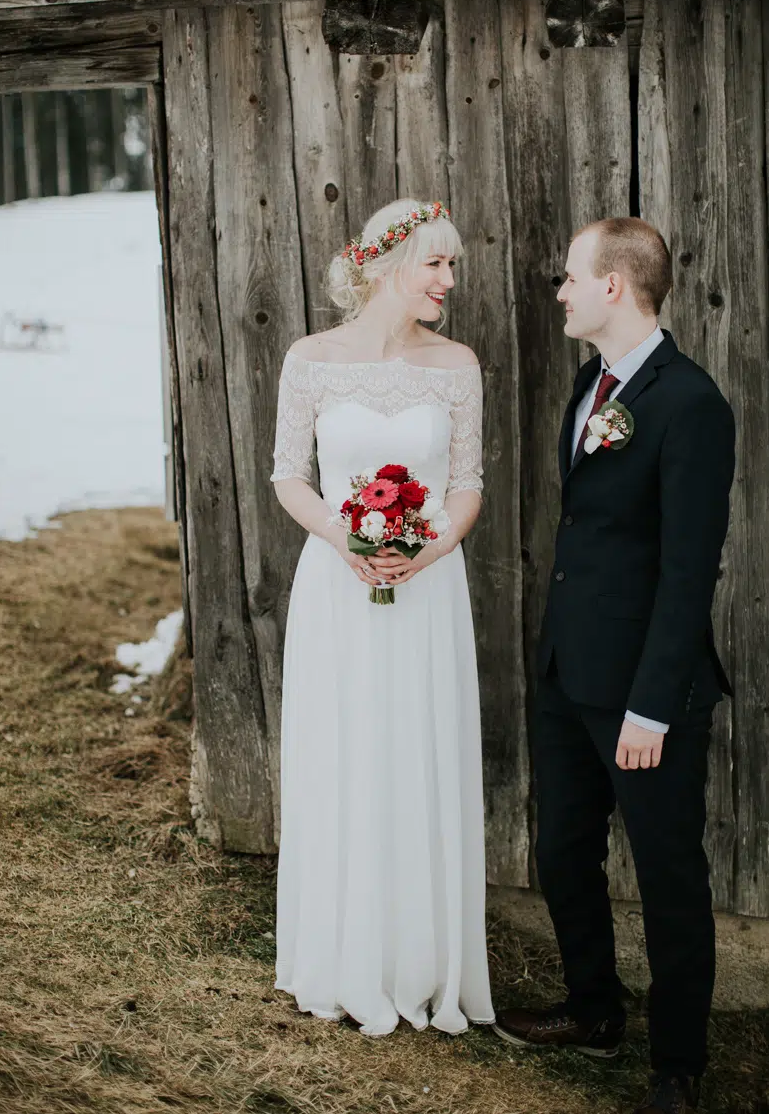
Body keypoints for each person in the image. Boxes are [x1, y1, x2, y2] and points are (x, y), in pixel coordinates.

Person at [493, 218, 735, 1114]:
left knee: (670, 874)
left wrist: (649, 708)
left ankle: (677, 1067)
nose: (557, 290)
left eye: (567, 277)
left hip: (644, 690)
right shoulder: (589, 388)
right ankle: (593, 1008)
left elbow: (687, 569)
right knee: (561, 850)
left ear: (612, 286)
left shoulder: (690, 402)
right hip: (568, 672)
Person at [270, 198, 494, 1037]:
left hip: (428, 585)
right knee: (346, 747)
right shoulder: (311, 359)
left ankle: (421, 959)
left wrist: (426, 551)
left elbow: (466, 485)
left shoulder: (457, 364)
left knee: (418, 746)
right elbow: (290, 472)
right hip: (339, 582)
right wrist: (343, 535)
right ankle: (340, 951)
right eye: (435, 264)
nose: (447, 280)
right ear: (385, 267)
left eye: (450, 266)